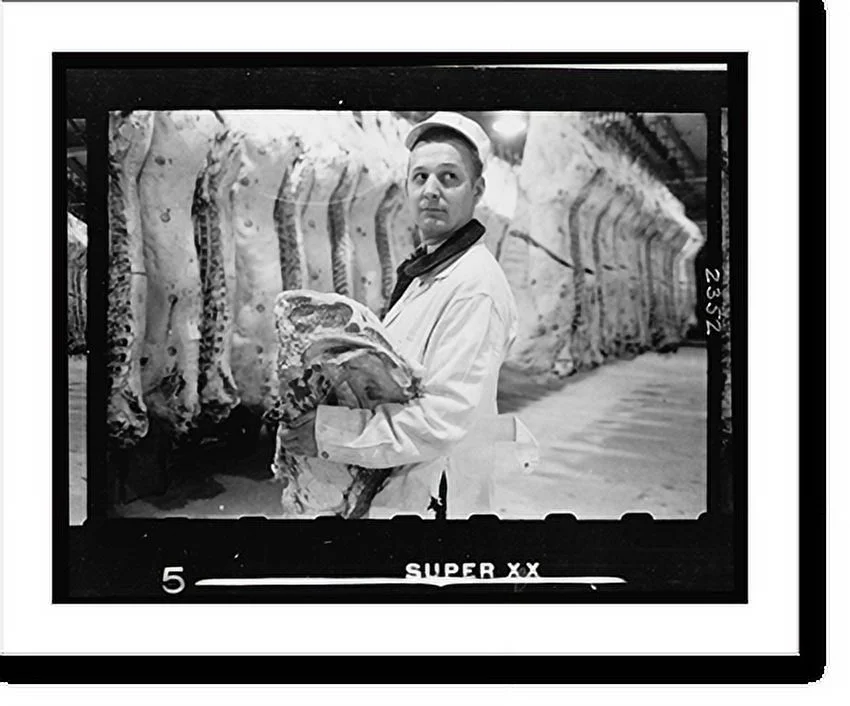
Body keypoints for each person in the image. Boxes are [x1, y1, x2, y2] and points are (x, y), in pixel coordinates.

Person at [280, 111, 536, 518]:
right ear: (406, 187)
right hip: (404, 486)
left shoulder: (475, 287)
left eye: (449, 178)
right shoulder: (425, 272)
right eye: (421, 177)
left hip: (436, 498)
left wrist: (327, 433)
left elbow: (441, 421)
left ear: (478, 190)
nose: (431, 191)